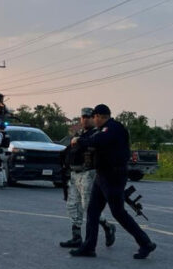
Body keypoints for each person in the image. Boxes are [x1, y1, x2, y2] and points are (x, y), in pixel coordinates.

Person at [69, 104, 156, 259]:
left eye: (94, 117)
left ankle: (145, 243)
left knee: (118, 213)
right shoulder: (103, 129)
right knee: (93, 211)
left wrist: (80, 141)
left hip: (113, 176)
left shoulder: (113, 128)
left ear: (101, 116)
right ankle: (89, 247)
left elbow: (99, 140)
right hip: (102, 175)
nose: (93, 120)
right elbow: (94, 139)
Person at [59, 108, 116, 248]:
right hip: (74, 174)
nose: (85, 119)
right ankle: (76, 237)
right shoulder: (79, 135)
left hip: (88, 174)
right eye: (83, 117)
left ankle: (107, 226)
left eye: (89, 117)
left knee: (88, 206)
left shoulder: (96, 135)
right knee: (73, 206)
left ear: (94, 118)